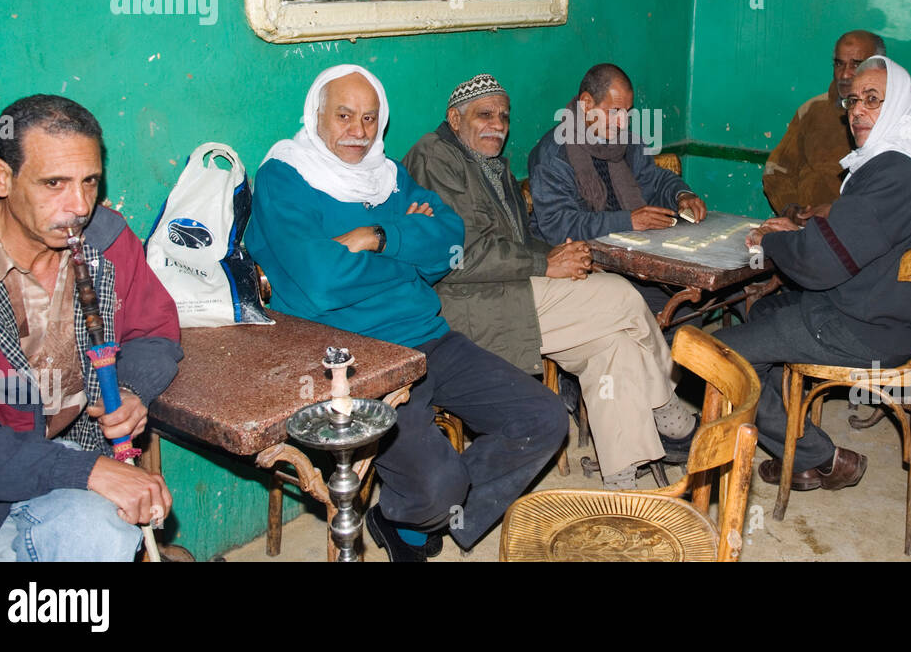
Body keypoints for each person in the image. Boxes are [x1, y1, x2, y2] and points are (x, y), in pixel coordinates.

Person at [244, 65, 565, 559]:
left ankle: (405, 516)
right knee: (441, 483)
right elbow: (322, 283)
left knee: (544, 417)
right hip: (352, 358)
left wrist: (379, 236)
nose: (359, 131)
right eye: (344, 116)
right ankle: (420, 511)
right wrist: (407, 259)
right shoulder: (283, 178)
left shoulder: (387, 173)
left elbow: (450, 239)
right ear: (316, 116)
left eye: (370, 118)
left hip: (428, 335)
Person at [403, 74, 695, 488]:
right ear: (454, 118)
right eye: (484, 115)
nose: (498, 125)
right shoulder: (436, 157)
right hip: (467, 305)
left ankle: (621, 480)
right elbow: (462, 257)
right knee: (622, 297)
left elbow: (525, 239)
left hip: (512, 288)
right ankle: (666, 402)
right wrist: (547, 265)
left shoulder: (491, 166)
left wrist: (563, 259)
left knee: (616, 346)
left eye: (504, 116)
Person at [722, 57, 911, 492]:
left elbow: (819, 265)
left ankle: (822, 456)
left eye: (873, 100)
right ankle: (795, 450)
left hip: (864, 329)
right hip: (885, 316)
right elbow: (856, 236)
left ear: (900, 106)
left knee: (715, 355)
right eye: (852, 100)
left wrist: (769, 243)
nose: (857, 110)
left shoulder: (897, 172)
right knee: (765, 311)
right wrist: (801, 230)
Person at [0, 95, 181, 562]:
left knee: (106, 529)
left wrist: (130, 390)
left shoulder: (108, 238)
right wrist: (86, 472)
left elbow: (155, 329)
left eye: (89, 182)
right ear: (2, 178)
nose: (78, 206)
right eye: (54, 183)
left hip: (74, 451)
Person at [528, 63, 707, 315]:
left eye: (627, 113)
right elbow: (559, 226)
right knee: (674, 309)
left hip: (630, 256)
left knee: (687, 301)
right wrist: (628, 220)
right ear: (587, 104)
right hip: (580, 266)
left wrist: (682, 194)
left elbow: (654, 180)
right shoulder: (554, 155)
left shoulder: (627, 142)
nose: (623, 123)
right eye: (614, 112)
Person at [762, 30, 885, 219]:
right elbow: (777, 170)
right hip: (805, 229)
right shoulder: (813, 110)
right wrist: (790, 209)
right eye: (839, 64)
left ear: (879, 67)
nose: (845, 74)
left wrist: (838, 214)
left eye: (856, 64)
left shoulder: (897, 118)